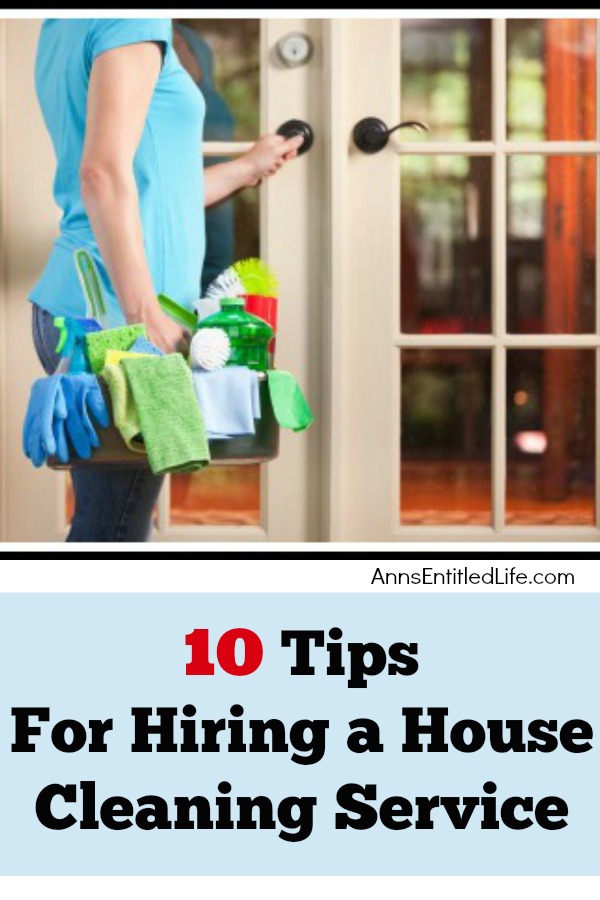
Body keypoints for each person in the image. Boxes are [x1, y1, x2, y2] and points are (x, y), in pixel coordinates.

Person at [30, 19, 301, 542]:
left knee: (120, 522)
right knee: (114, 530)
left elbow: (148, 188)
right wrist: (143, 316)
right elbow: (103, 176)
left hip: (93, 308)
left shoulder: (59, 23)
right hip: (113, 319)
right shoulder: (132, 19)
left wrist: (247, 167)